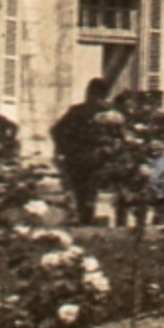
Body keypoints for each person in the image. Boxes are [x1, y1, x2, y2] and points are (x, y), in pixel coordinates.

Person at [51, 78, 112, 226]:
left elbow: (56, 131)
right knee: (87, 189)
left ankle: (84, 217)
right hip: (90, 156)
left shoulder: (79, 111)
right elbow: (57, 131)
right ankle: (85, 218)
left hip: (81, 157)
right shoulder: (101, 113)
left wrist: (65, 150)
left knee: (82, 189)